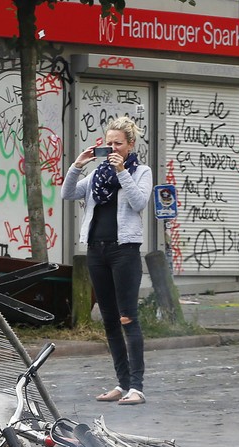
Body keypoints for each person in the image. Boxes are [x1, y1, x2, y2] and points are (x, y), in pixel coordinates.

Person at [62, 116, 153, 406]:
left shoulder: (141, 172)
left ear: (130, 145)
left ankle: (136, 387)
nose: (113, 148)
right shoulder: (96, 175)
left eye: (118, 143)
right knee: (110, 320)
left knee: (128, 318)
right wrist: (77, 165)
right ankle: (122, 383)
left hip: (124, 251)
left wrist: (122, 171)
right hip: (96, 251)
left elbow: (139, 202)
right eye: (109, 143)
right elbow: (67, 193)